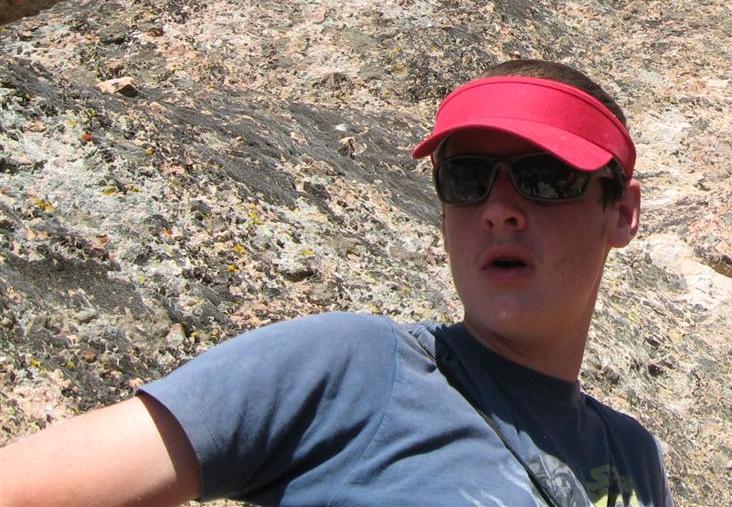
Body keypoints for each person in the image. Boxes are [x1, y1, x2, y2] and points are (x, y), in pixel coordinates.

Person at [0, 59, 673, 507]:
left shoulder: (632, 456)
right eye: (466, 178)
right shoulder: (352, 370)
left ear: (621, 212)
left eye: (545, 176)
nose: (498, 208)